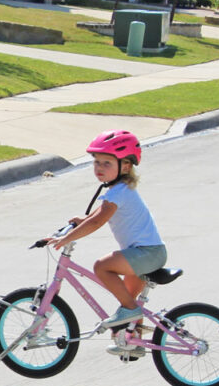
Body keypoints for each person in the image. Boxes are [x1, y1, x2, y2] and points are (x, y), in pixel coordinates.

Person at [47, 130, 166, 357]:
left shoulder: (118, 193)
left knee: (102, 267)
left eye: (107, 163)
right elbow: (97, 214)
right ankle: (133, 342)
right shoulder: (118, 191)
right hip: (146, 254)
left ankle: (130, 315)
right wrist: (82, 220)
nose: (99, 167)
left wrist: (66, 239)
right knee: (129, 300)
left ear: (126, 166)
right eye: (96, 162)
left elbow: (98, 221)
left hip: (146, 254)